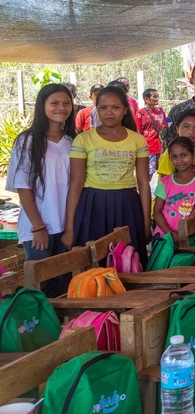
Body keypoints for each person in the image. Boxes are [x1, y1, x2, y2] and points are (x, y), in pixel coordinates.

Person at [64, 85, 151, 264]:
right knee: (94, 264)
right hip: (92, 205)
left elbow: (143, 183)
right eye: (103, 107)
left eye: (115, 107)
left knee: (127, 262)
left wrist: (146, 222)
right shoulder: (83, 139)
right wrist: (70, 228)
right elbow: (76, 184)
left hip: (127, 205)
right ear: (96, 109)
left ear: (125, 110)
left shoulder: (137, 140)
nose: (109, 112)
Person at [7, 84, 74, 295]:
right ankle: (42, 329)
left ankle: (65, 329)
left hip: (66, 227)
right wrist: (38, 227)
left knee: (65, 287)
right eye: (54, 103)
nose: (61, 108)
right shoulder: (27, 141)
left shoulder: (73, 141)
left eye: (66, 103)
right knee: (42, 288)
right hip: (39, 228)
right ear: (42, 106)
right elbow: (23, 188)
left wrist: (71, 228)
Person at [153, 137, 195, 235]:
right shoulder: (164, 182)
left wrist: (183, 233)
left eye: (183, 155)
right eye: (174, 157)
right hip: (165, 234)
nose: (179, 160)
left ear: (193, 155)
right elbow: (157, 212)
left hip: (192, 233)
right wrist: (170, 234)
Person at [137, 88, 166, 177]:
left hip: (161, 147)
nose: (157, 98)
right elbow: (138, 131)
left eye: (157, 96)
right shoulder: (141, 113)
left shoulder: (161, 111)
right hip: (148, 148)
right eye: (154, 96)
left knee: (163, 172)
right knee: (148, 174)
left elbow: (166, 122)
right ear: (146, 99)